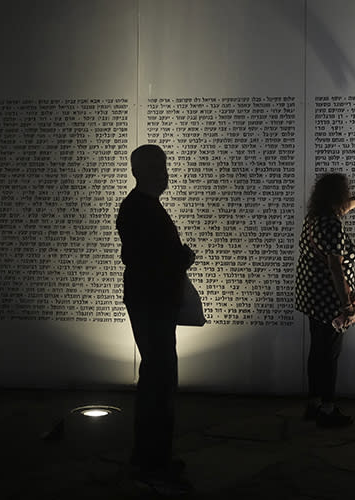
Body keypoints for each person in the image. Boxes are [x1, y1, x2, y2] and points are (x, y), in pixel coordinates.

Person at [116, 144, 195, 495]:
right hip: (151, 305)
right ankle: (150, 464)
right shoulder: (139, 209)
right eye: (161, 167)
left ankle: (153, 458)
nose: (167, 173)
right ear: (143, 170)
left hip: (153, 304)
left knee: (158, 380)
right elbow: (144, 261)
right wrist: (181, 259)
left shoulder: (141, 207)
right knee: (158, 383)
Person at [295, 173, 355, 427]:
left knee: (316, 352)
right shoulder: (332, 225)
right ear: (337, 195)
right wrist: (347, 306)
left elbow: (345, 207)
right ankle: (328, 409)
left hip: (311, 296)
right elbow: (336, 269)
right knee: (330, 354)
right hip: (330, 300)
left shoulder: (315, 218)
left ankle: (314, 404)